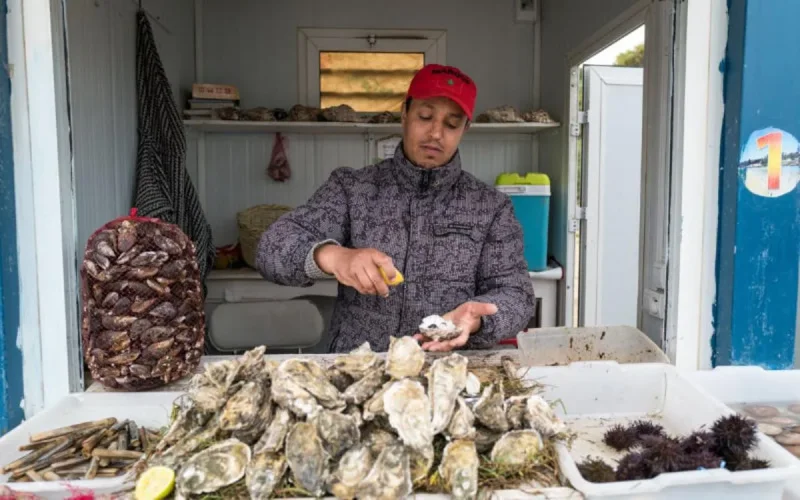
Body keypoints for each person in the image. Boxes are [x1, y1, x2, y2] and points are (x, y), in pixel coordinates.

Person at [256, 63, 535, 353]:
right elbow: (271, 249)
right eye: (425, 116)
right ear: (404, 113)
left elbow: (516, 295)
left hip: (449, 372)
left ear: (465, 128)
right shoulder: (352, 188)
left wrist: (476, 320)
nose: (436, 133)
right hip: (361, 368)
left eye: (452, 124)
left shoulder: (489, 207)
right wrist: (333, 256)